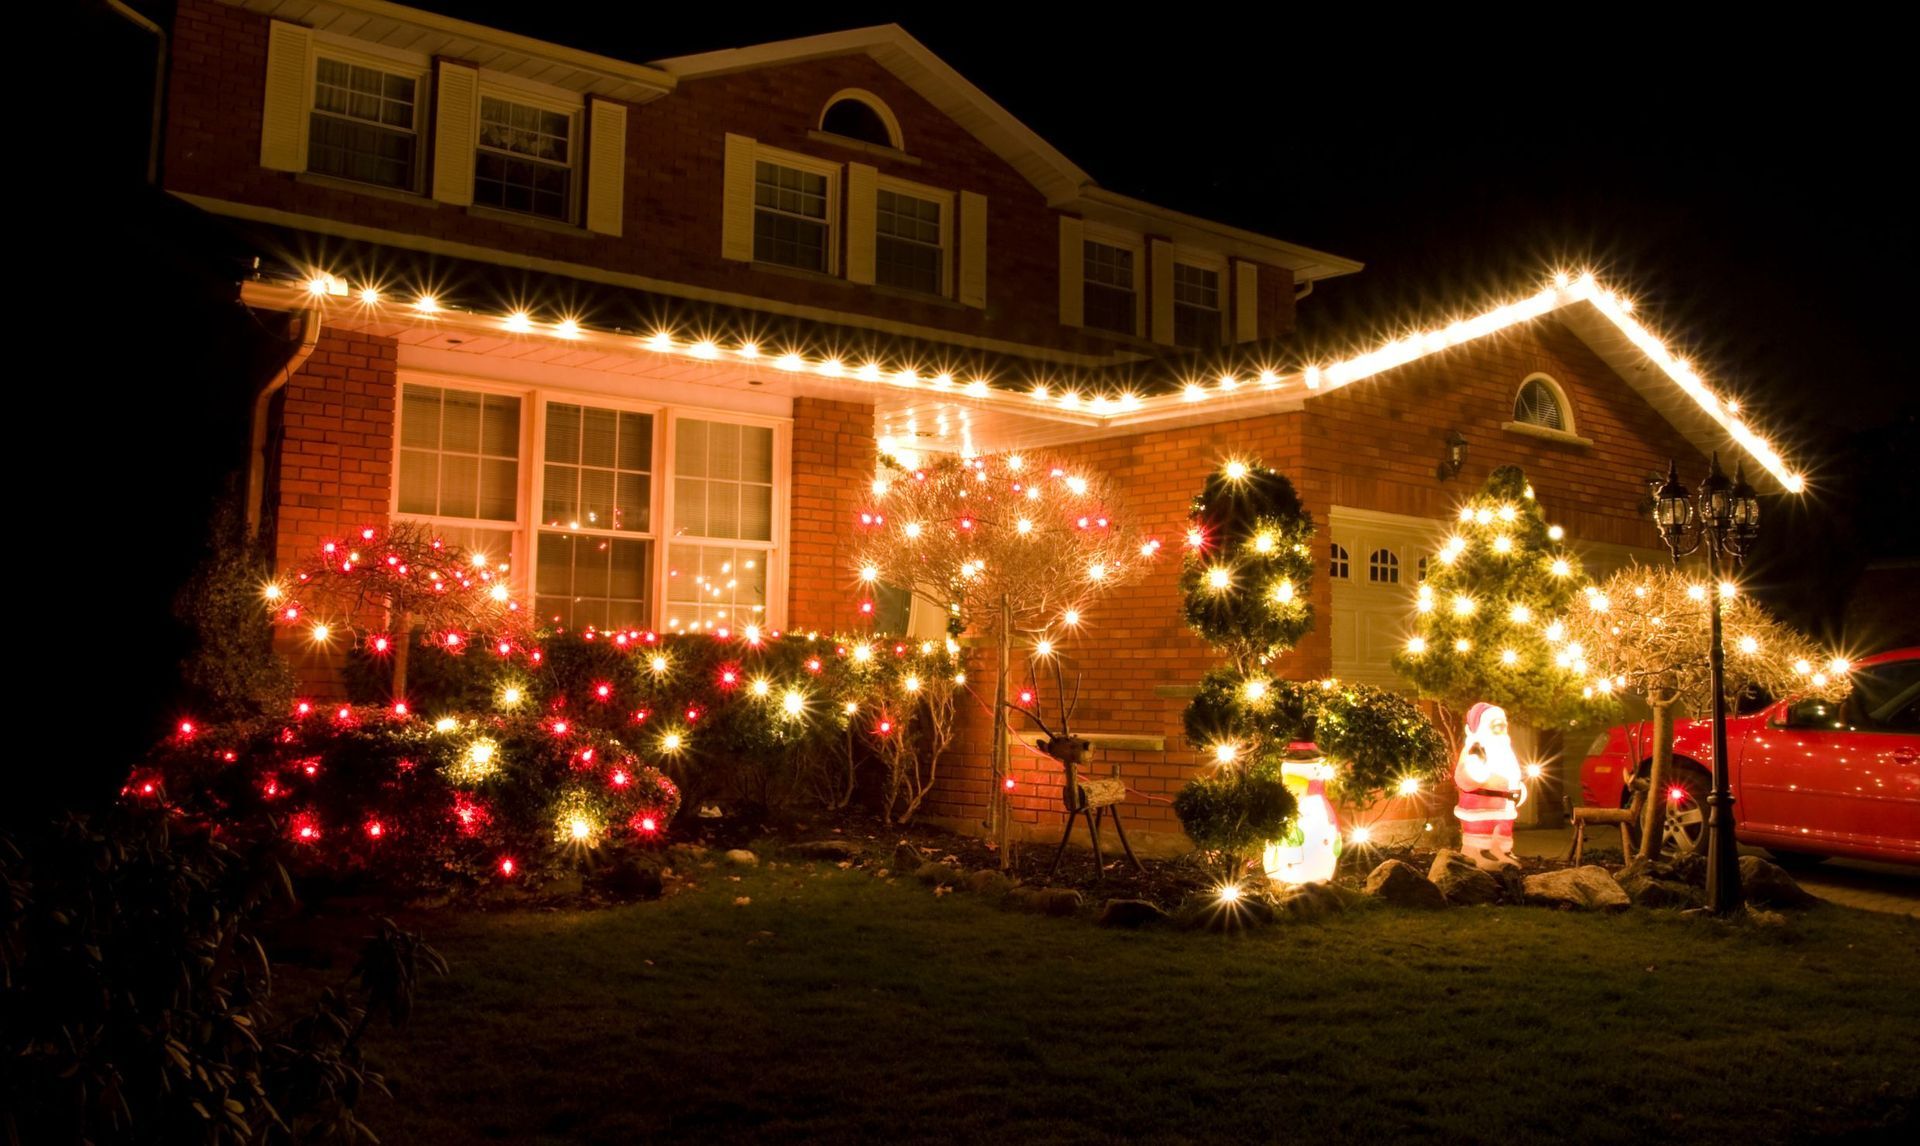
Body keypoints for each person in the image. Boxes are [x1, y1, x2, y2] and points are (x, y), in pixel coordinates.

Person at [1454, 702, 1528, 870]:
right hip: (1481, 809)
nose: (1500, 728)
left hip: (1505, 807)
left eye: (1502, 724)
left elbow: (1512, 775)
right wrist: (1475, 772)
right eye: (1494, 724)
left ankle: (1502, 852)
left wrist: (1519, 789)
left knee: (1502, 832)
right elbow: (1464, 777)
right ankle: (1480, 852)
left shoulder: (1504, 750)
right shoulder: (1475, 750)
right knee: (1483, 834)